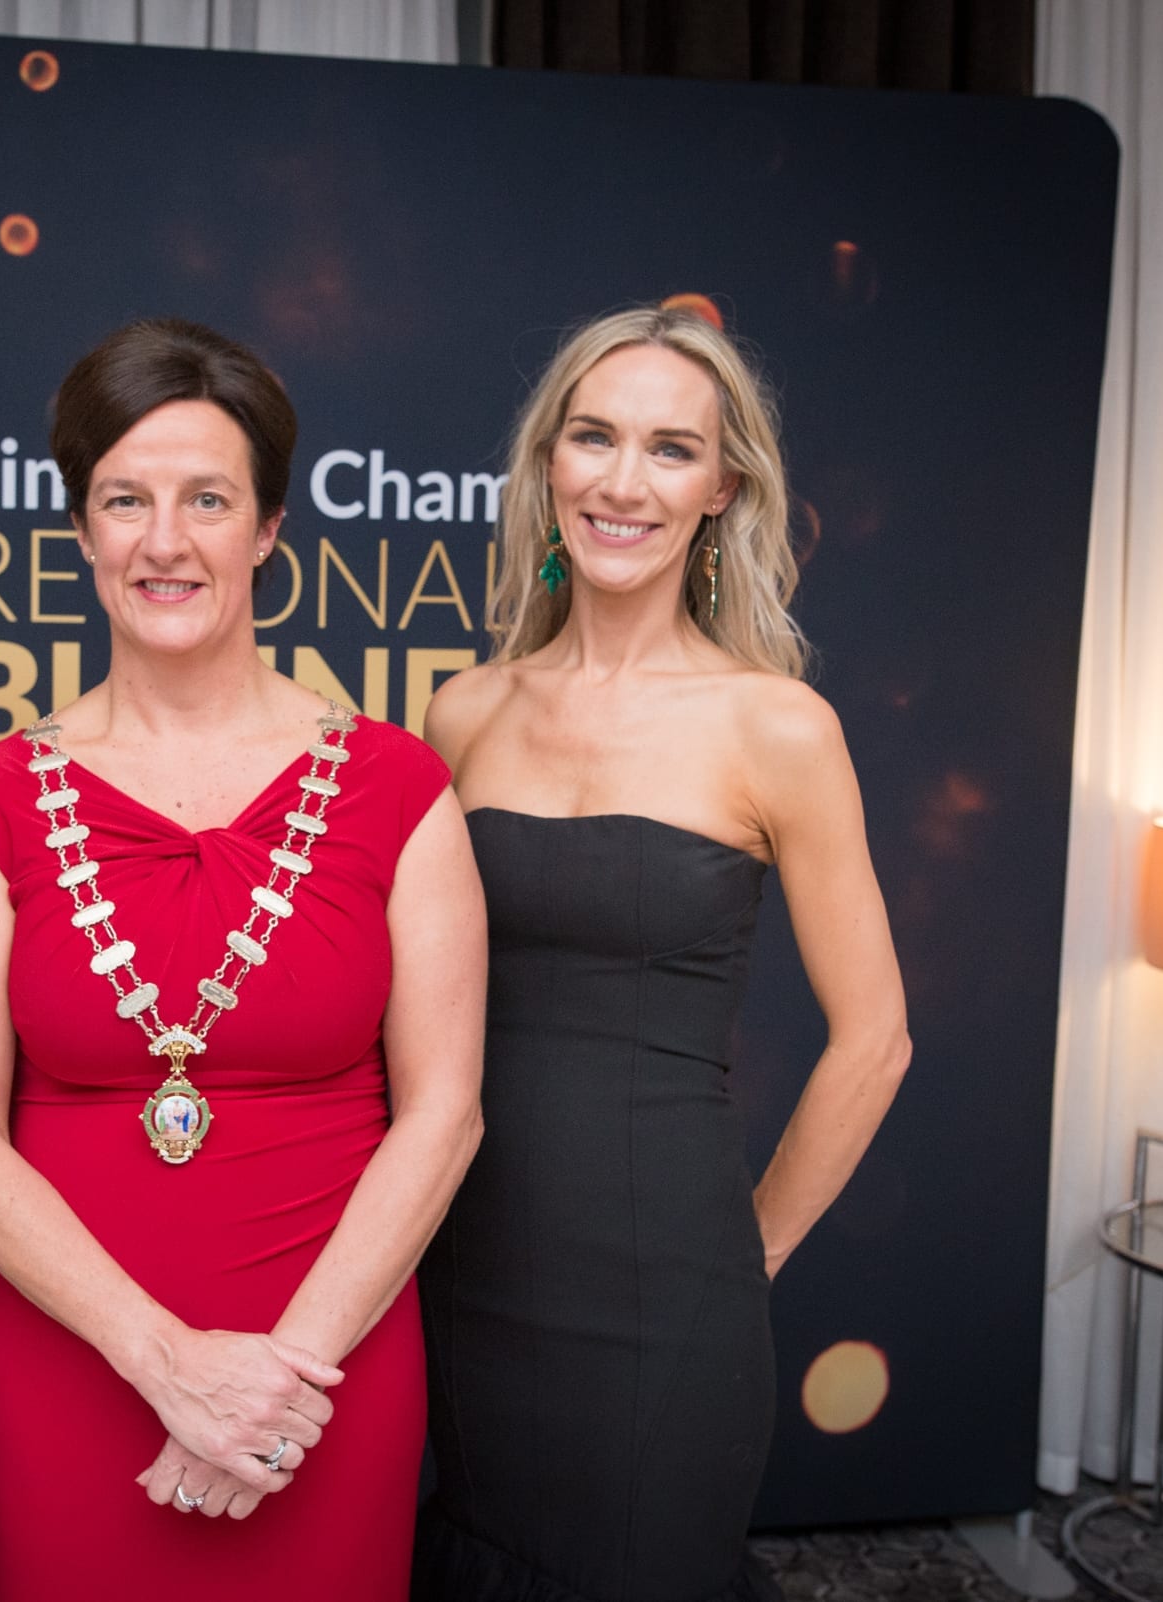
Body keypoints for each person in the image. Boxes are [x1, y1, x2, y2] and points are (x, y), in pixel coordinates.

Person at [0, 318, 486, 1601]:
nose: (164, 541)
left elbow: (442, 1117)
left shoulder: (401, 789)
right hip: (75, 1363)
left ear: (270, 528)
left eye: (207, 500)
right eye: (126, 499)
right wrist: (170, 1365)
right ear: (81, 528)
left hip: (325, 1375)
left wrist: (277, 1384)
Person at [415, 305, 911, 1602]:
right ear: (548, 465)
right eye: (594, 437)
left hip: (671, 1303)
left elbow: (876, 1037)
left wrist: (748, 1256)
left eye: (670, 449)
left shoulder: (777, 727)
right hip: (460, 1277)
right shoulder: (463, 712)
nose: (624, 481)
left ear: (722, 487)